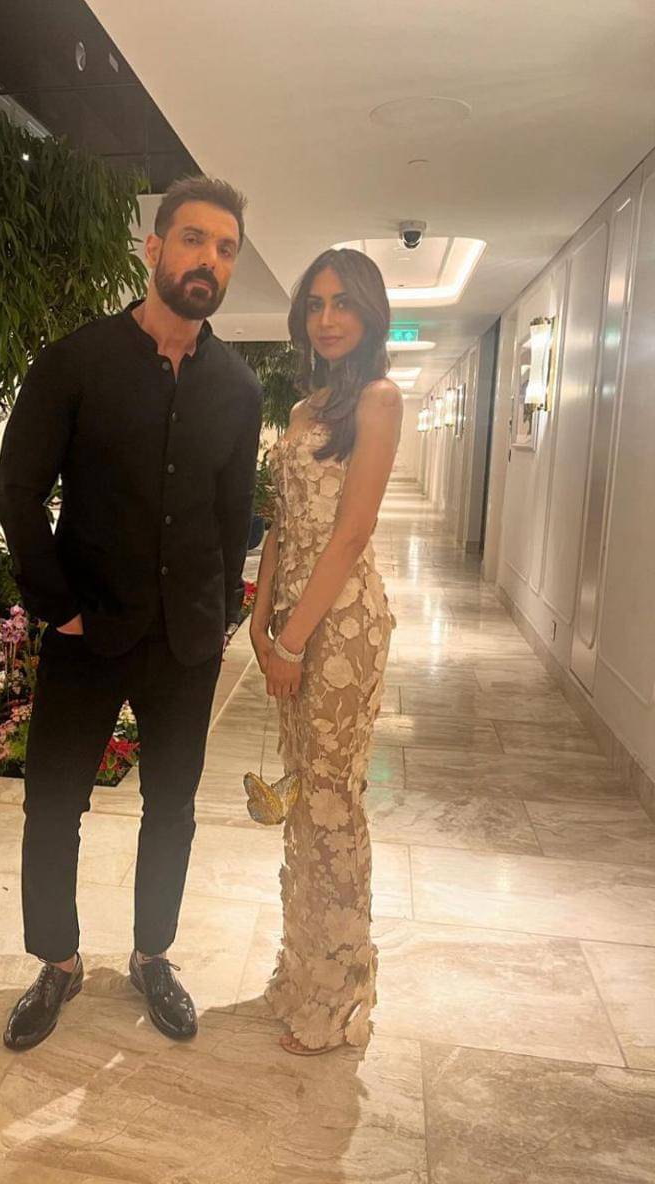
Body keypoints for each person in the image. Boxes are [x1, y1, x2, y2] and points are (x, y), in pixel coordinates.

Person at [0, 176, 262, 1051]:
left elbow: (233, 514)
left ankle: (154, 957)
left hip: (186, 643)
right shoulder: (75, 362)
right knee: (52, 805)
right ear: (154, 248)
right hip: (88, 634)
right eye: (193, 239)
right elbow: (17, 491)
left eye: (225, 248)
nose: (208, 259)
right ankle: (58, 962)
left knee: (172, 809)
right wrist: (58, 606)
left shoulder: (237, 388)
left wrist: (218, 613)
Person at [249, 247, 402, 1056]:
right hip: (296, 620)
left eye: (342, 303)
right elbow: (283, 520)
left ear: (369, 314)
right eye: (315, 304)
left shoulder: (379, 401)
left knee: (333, 802)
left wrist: (293, 639)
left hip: (340, 629)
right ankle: (303, 974)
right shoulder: (308, 405)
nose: (327, 318)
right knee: (304, 800)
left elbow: (351, 533)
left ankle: (340, 999)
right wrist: (260, 615)